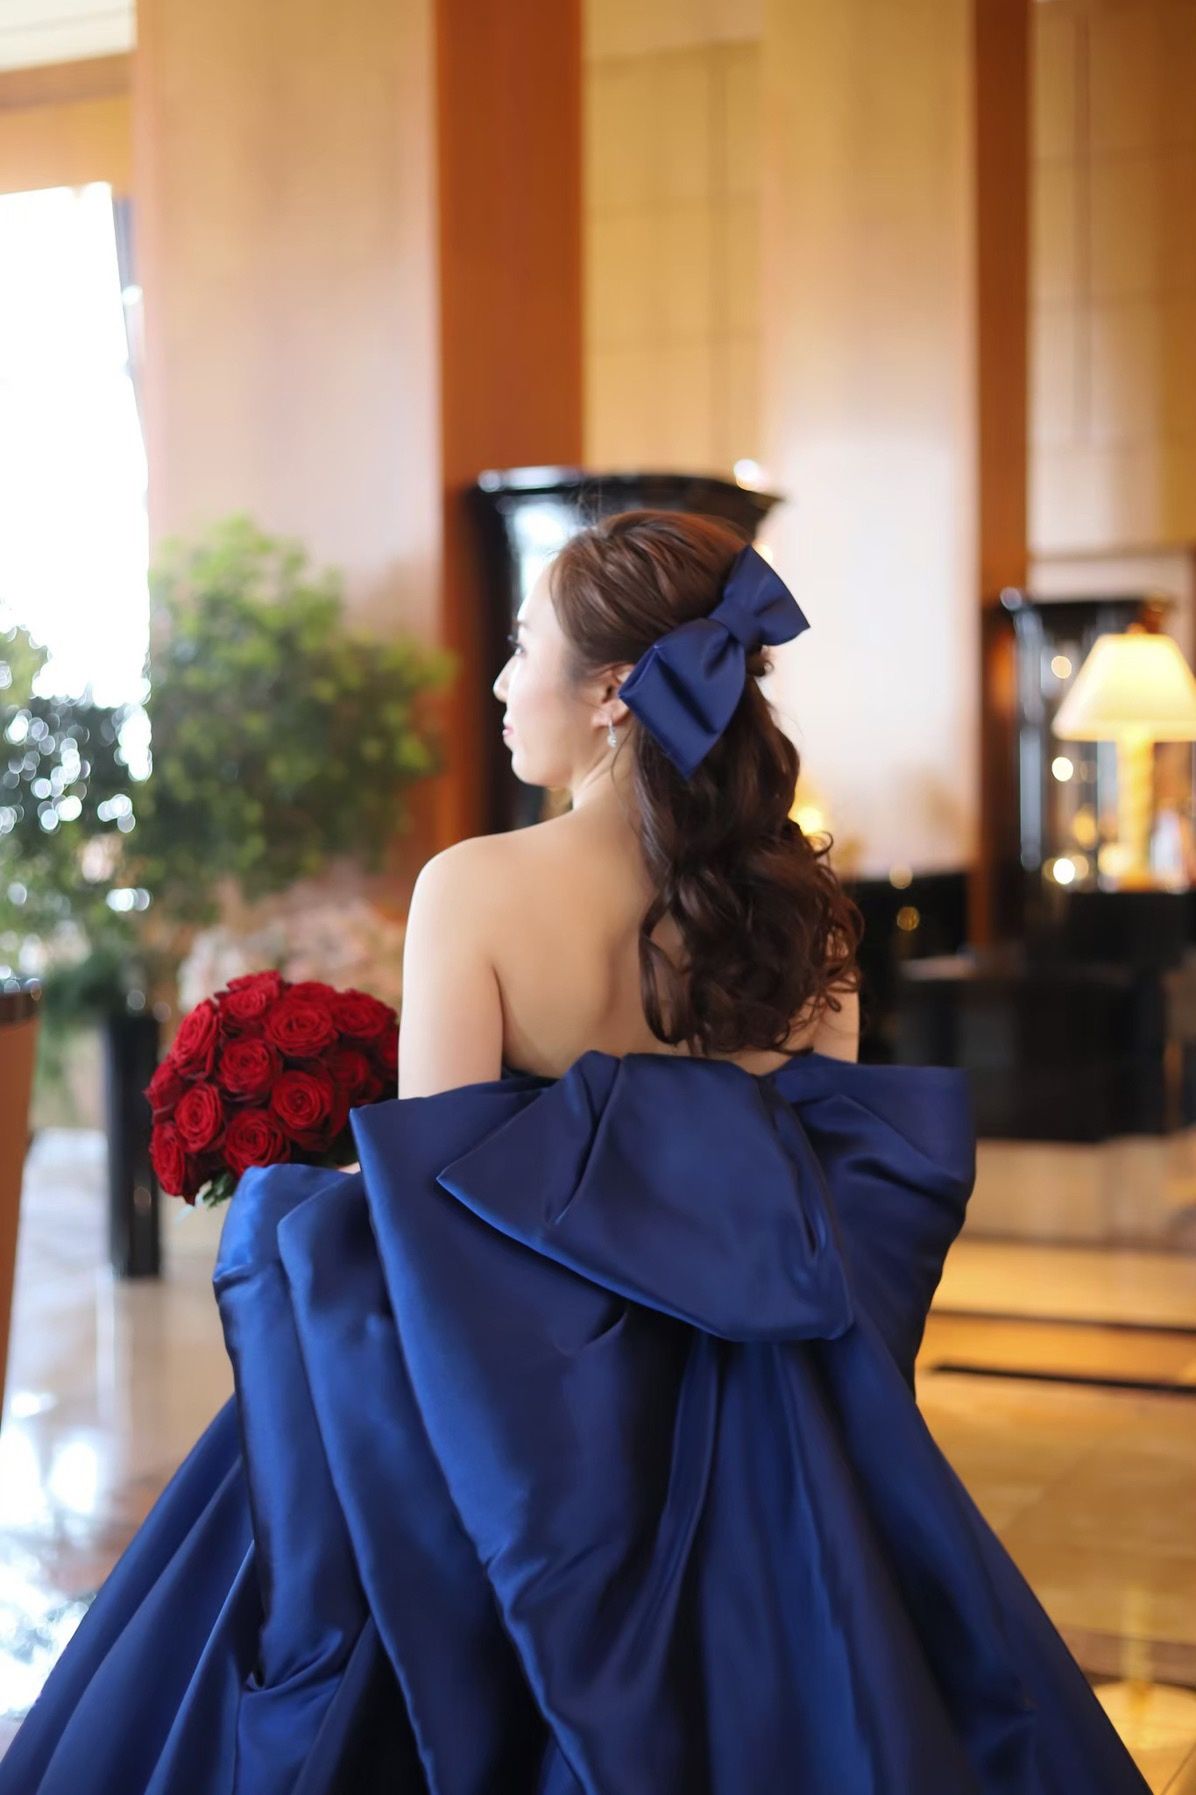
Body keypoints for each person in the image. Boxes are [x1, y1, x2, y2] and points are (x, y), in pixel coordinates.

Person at [0, 509, 1150, 1793]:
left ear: (611, 690)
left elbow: (433, 1249)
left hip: (522, 1441)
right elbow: (844, 1219)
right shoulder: (804, 915)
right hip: (767, 1436)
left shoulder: (473, 887)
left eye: (518, 646)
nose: (499, 683)